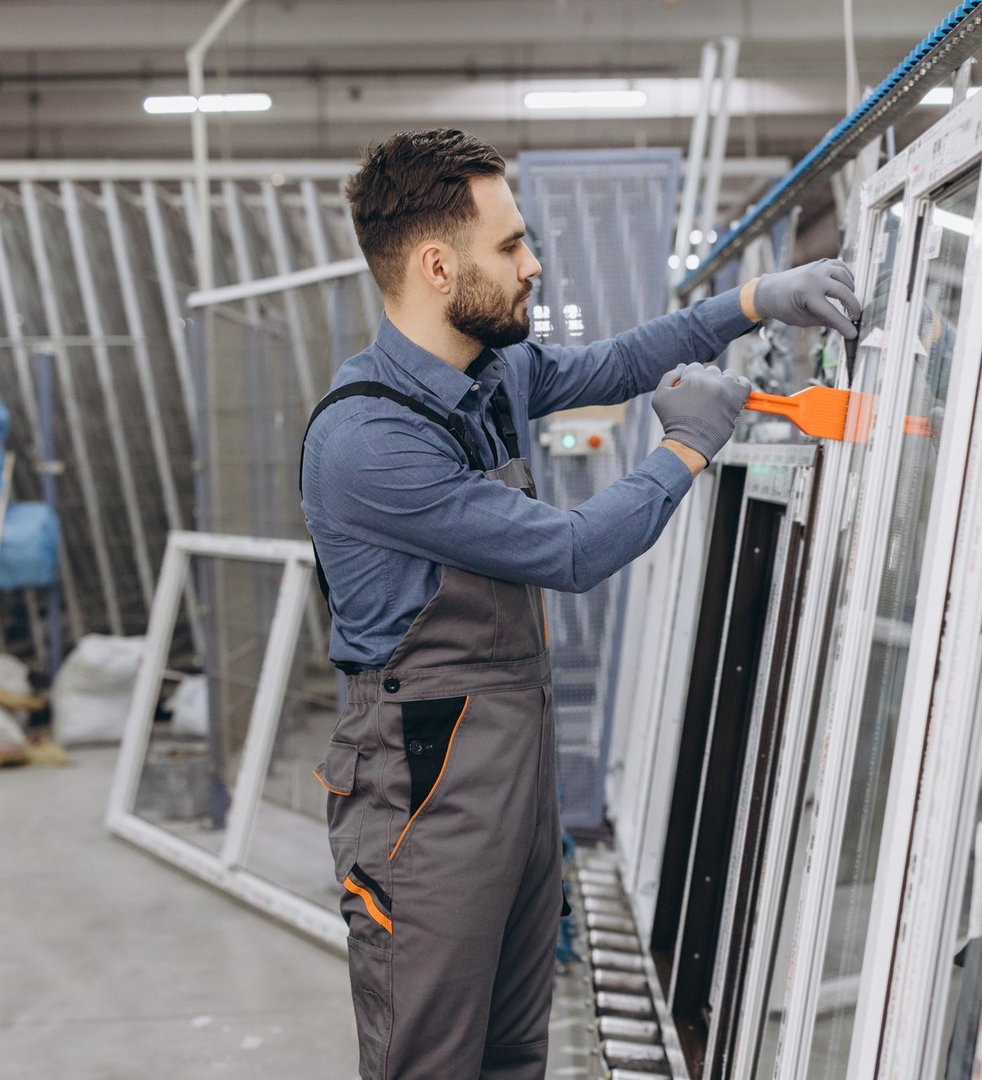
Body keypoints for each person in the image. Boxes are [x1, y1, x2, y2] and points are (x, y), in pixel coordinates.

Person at [300, 127, 860, 1080]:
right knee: (432, 1061)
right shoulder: (369, 440)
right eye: (511, 245)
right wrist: (684, 450)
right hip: (421, 786)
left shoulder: (491, 374)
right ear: (438, 267)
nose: (534, 264)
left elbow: (618, 360)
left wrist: (757, 301)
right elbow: (569, 552)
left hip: (511, 755)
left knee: (517, 1051)